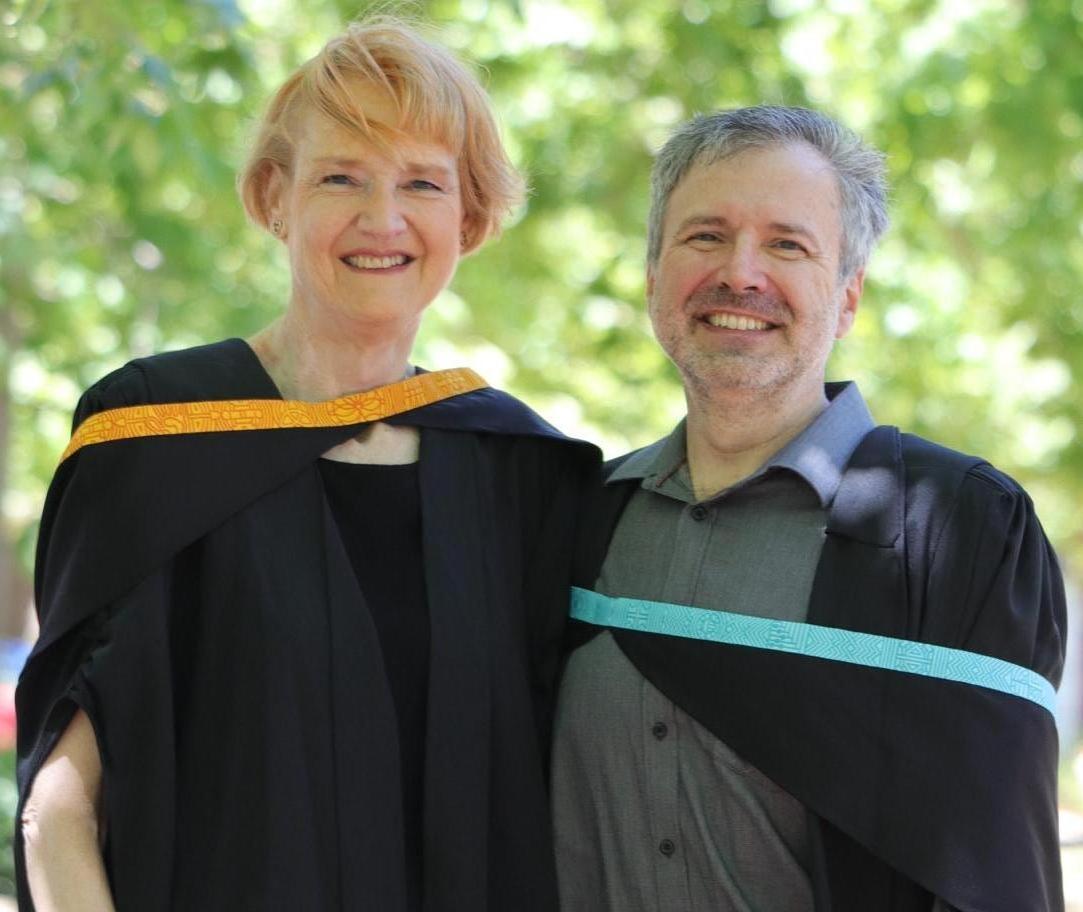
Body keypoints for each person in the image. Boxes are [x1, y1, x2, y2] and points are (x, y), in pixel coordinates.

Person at [17, 17, 595, 912]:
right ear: (272, 198)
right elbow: (58, 809)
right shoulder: (155, 439)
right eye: (340, 177)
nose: (383, 218)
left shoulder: (517, 475)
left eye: (422, 182)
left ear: (469, 218)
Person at [553, 106, 1065, 912]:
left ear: (847, 296)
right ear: (652, 276)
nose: (740, 274)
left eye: (786, 245)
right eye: (704, 236)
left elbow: (991, 877)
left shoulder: (956, 528)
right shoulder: (574, 517)